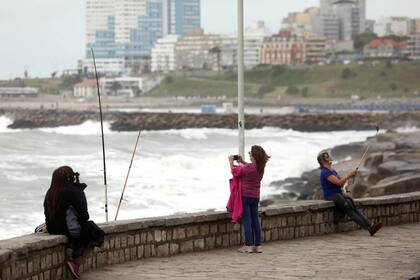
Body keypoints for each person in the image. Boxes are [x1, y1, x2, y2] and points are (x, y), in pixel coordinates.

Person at [44, 166, 104, 279]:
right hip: (69, 229)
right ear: (71, 177)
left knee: (83, 229)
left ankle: (72, 247)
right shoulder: (73, 191)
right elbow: (85, 215)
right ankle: (77, 262)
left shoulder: (50, 192)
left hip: (52, 228)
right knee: (96, 232)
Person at [317, 151, 383, 236]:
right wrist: (349, 175)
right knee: (348, 208)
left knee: (352, 206)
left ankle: (371, 225)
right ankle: (369, 227)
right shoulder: (325, 172)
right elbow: (339, 182)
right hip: (331, 195)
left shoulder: (332, 171)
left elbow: (342, 184)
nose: (329, 158)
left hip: (338, 193)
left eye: (328, 156)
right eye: (326, 157)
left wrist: (345, 190)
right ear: (322, 162)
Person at [228, 145, 270, 253]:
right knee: (255, 220)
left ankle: (248, 245)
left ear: (254, 155)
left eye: (250, 153)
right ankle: (258, 245)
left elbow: (235, 172)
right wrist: (243, 161)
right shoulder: (261, 167)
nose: (249, 154)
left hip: (245, 196)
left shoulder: (248, 168)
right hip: (255, 197)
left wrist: (231, 162)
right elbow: (248, 167)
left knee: (247, 220)